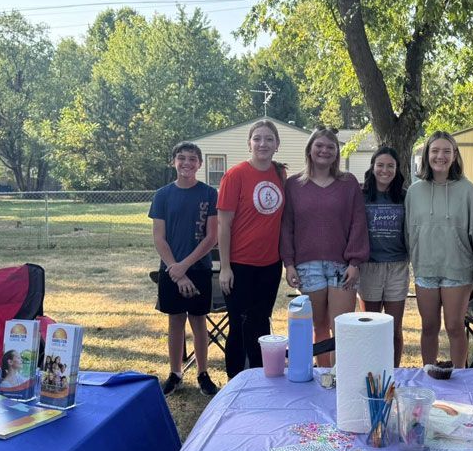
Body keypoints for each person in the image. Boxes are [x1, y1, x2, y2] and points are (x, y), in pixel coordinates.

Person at [281, 127, 369, 366]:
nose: (324, 151)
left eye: (331, 147)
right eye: (319, 145)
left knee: (341, 326)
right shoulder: (293, 185)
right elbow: (286, 227)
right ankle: (324, 375)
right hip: (307, 266)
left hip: (341, 265)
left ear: (337, 153)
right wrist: (289, 264)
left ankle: (343, 375)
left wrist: (355, 262)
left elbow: (358, 222)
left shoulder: (348, 183)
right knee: (319, 327)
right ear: (309, 150)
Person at [405, 131, 473, 371]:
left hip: (457, 269)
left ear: (455, 155)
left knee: (454, 326)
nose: (440, 156)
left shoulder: (468, 191)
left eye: (446, 151)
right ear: (426, 155)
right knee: (428, 326)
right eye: (435, 150)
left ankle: (460, 375)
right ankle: (429, 373)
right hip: (425, 268)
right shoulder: (414, 192)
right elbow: (408, 232)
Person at [217, 120, 287, 381]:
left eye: (269, 139)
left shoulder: (280, 176)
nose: (263, 144)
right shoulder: (235, 175)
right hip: (239, 264)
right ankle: (235, 381)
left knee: (261, 323)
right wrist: (225, 267)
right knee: (238, 325)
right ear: (249, 143)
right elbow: (223, 224)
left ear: (277, 145)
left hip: (270, 264)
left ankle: (260, 376)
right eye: (257, 139)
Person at [149, 141, 219, 396]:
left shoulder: (210, 194)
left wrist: (185, 267)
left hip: (198, 269)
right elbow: (159, 237)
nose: (186, 163)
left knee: (199, 321)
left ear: (200, 164)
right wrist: (175, 271)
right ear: (173, 162)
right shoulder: (163, 195)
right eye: (181, 158)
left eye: (192, 159)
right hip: (170, 270)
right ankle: (175, 373)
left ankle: (203, 373)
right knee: (175, 321)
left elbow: (212, 237)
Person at [358, 147, 409, 365]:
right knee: (370, 327)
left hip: (397, 266)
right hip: (369, 267)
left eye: (390, 166)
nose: (385, 170)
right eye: (380, 165)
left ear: (397, 170)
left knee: (393, 328)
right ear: (373, 167)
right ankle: (370, 371)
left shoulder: (405, 197)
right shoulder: (361, 195)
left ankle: (392, 373)